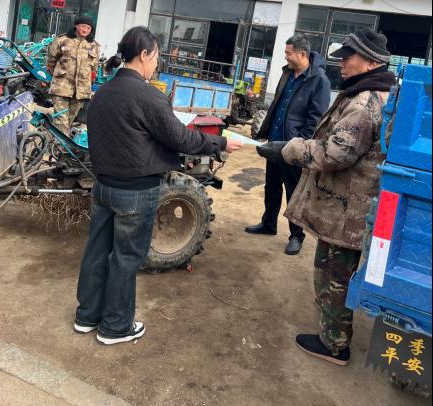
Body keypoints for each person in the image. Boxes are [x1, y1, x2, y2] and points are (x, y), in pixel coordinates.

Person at [74, 26, 242, 346]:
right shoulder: (148, 95)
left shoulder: (103, 93)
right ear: (144, 55)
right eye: (156, 58)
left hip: (103, 186)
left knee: (97, 251)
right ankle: (115, 327)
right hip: (135, 192)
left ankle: (87, 316)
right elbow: (181, 139)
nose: (156, 65)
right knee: (125, 257)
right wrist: (219, 143)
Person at [259, 29, 396, 365]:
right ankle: (332, 322)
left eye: (349, 58)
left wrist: (290, 149)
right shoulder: (372, 93)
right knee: (335, 270)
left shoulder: (364, 102)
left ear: (371, 62)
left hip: (348, 209)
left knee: (333, 273)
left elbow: (335, 154)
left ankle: (335, 345)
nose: (342, 64)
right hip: (350, 203)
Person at [246, 35, 331, 256]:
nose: (285, 57)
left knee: (294, 192)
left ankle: (296, 236)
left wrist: (300, 145)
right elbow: (277, 105)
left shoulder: (319, 81)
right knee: (271, 186)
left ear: (302, 54)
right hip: (275, 142)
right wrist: (267, 133)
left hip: (294, 148)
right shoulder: (287, 73)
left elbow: (316, 119)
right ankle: (268, 224)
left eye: (288, 53)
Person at [47, 16, 100, 134]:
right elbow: (51, 61)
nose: (85, 30)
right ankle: (59, 144)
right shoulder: (62, 40)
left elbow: (94, 68)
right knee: (61, 121)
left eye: (88, 28)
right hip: (61, 87)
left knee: (68, 121)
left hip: (80, 92)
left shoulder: (93, 45)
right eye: (83, 26)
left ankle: (53, 141)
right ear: (76, 25)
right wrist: (58, 75)